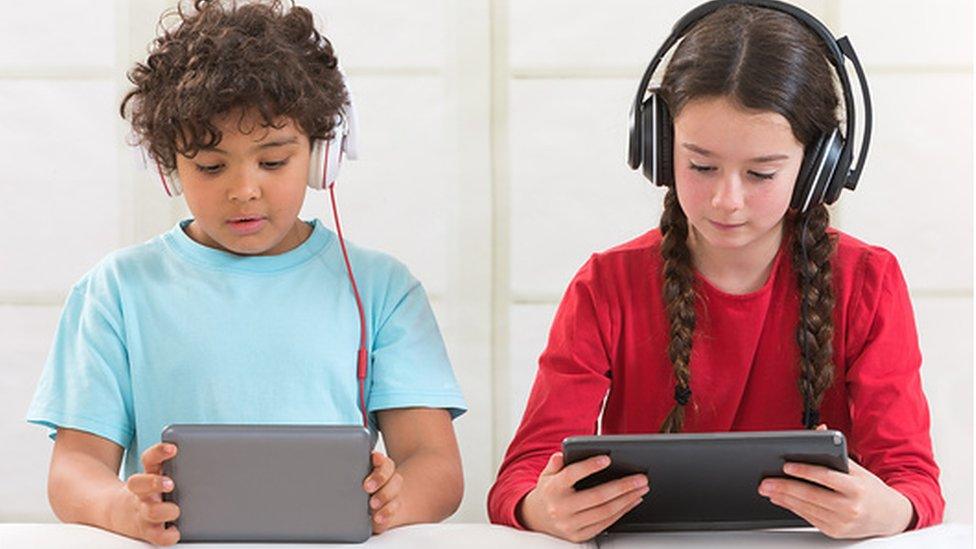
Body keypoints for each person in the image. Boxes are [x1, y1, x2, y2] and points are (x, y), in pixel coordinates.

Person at [487, 1, 942, 542]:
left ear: (820, 165)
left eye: (761, 173)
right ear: (657, 147)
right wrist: (543, 508)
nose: (728, 201)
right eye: (700, 166)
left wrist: (889, 511)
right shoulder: (605, 286)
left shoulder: (868, 281)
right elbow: (520, 478)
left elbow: (914, 484)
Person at [26, 1, 466, 545]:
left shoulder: (382, 289)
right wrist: (123, 509)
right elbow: (73, 471)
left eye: (274, 161)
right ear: (168, 167)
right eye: (211, 167)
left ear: (322, 153)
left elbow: (436, 467)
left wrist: (396, 499)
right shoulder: (115, 291)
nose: (244, 189)